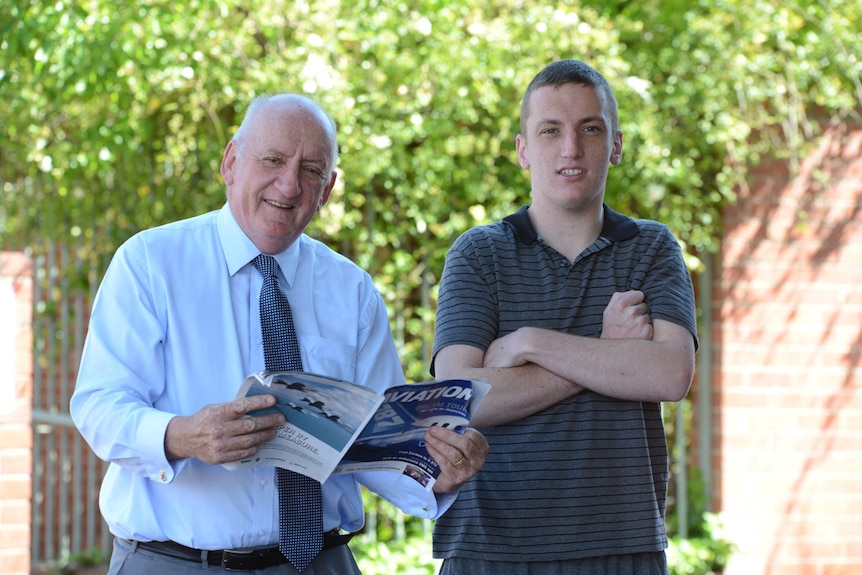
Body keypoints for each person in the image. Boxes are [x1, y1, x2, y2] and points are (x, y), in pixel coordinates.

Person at [70, 93, 489, 575]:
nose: (288, 185)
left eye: (311, 170)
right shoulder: (150, 263)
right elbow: (100, 406)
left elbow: (375, 442)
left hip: (321, 562)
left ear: (328, 190)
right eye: (272, 160)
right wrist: (183, 436)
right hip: (175, 562)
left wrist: (437, 472)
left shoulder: (351, 290)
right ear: (231, 162)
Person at [430, 59, 698, 574]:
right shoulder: (479, 254)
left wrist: (527, 342)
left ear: (615, 145)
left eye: (590, 129)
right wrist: (607, 346)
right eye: (550, 130)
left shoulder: (651, 248)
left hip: (621, 549)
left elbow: (669, 373)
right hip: (489, 550)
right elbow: (460, 398)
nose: (570, 148)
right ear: (523, 150)